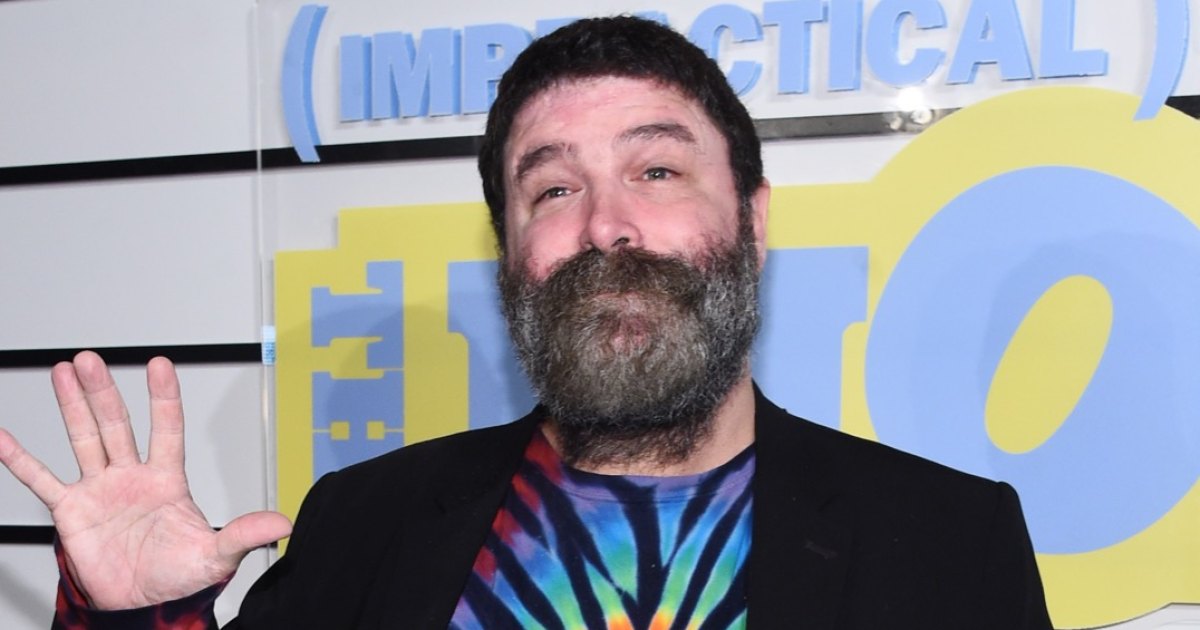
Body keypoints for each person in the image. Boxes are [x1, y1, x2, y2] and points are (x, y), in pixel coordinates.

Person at [0, 15, 1052, 629]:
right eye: (552, 189)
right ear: (510, 252)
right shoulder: (364, 526)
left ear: (754, 220)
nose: (605, 226)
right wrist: (132, 618)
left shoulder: (951, 544)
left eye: (656, 171)